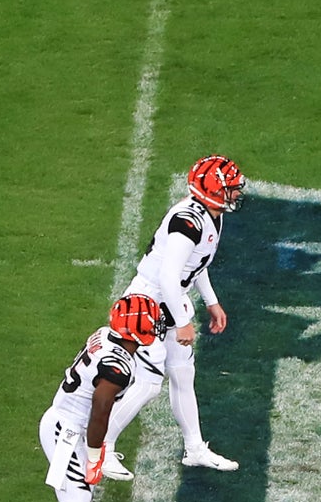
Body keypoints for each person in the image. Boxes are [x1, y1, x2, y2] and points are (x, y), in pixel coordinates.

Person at [105, 155, 244, 471]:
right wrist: (183, 322)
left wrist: (211, 301)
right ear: (213, 190)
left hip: (170, 299)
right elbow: (168, 276)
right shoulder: (188, 222)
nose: (236, 193)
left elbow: (196, 264)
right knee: (147, 383)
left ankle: (194, 448)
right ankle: (101, 446)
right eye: (231, 187)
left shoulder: (211, 214)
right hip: (147, 303)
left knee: (182, 374)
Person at [41, 296, 167, 502]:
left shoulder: (105, 335)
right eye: (150, 321)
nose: (155, 325)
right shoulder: (118, 366)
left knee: (78, 498)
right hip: (67, 432)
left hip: (65, 422)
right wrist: (96, 456)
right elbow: (100, 408)